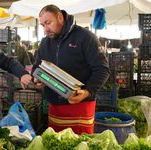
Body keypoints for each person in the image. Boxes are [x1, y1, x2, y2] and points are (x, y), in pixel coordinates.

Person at [32, 5, 110, 134]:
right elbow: (37, 66)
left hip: (80, 104)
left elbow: (102, 69)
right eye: (42, 25)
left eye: (48, 23)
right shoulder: (45, 42)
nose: (46, 29)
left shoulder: (86, 37)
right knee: (57, 142)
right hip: (55, 106)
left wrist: (87, 91)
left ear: (60, 17)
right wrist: (37, 79)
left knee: (81, 143)